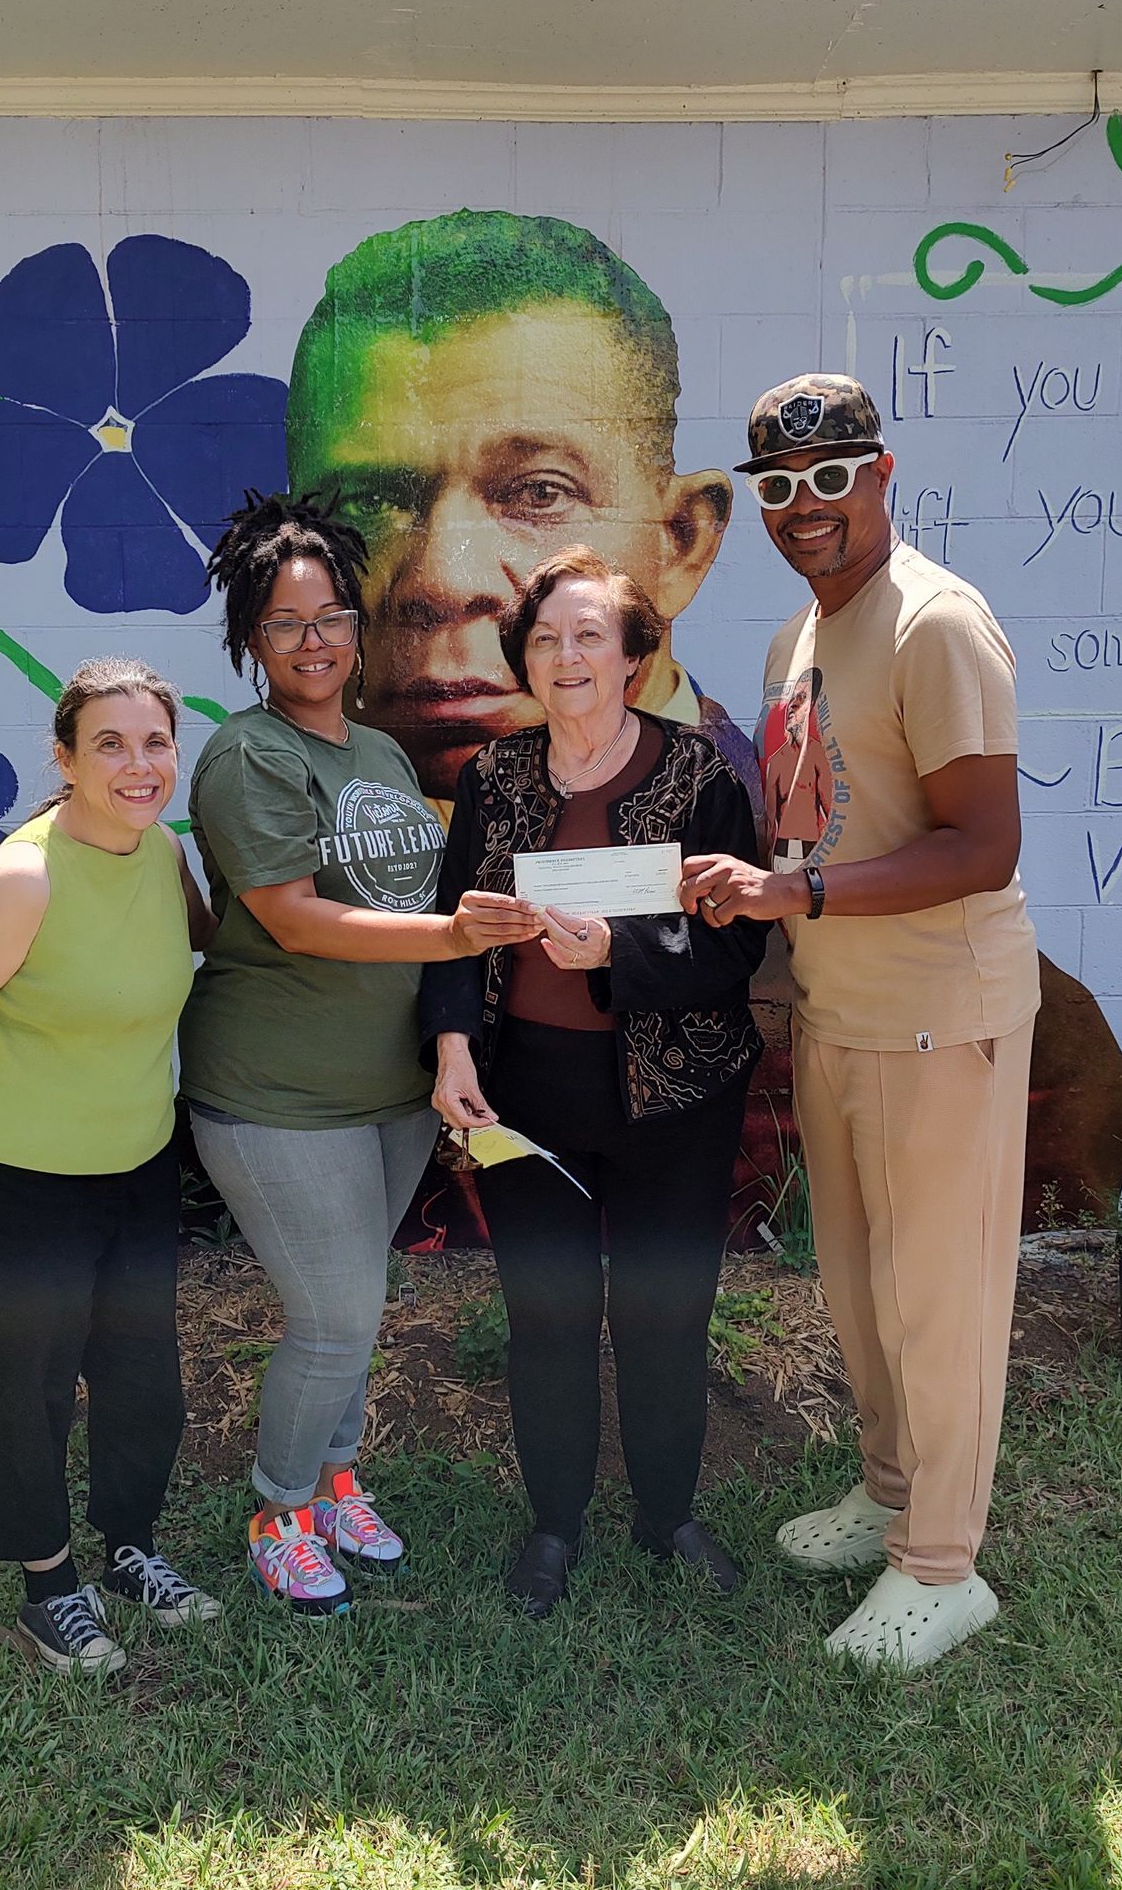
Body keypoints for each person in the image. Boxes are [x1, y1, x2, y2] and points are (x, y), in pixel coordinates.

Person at [680, 375, 1041, 1671]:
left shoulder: (939, 625)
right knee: (859, 1288)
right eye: (779, 487)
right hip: (843, 1013)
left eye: (832, 479)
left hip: (941, 1019)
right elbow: (809, 823)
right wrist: (747, 902)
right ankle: (890, 1491)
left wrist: (798, 891)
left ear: (883, 476)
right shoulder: (797, 641)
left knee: (934, 1300)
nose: (805, 508)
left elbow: (985, 845)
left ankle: (942, 1568)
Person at [178, 491, 539, 1617]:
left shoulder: (379, 751)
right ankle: (277, 1510)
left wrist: (449, 1040)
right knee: (334, 1313)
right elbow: (292, 915)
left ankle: (335, 1482)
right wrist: (454, 931)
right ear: (249, 640)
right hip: (276, 1097)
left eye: (331, 614)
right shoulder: (249, 758)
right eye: (285, 623)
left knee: (359, 1307)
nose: (315, 640)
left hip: (387, 1092)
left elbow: (403, 901)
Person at [425, 545, 767, 1619]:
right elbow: (455, 936)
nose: (565, 655)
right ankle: (555, 1524)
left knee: (667, 1312)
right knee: (550, 1315)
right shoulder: (492, 777)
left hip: (677, 1096)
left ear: (632, 658)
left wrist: (616, 956)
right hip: (530, 1092)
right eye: (545, 638)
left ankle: (668, 1512)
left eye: (588, 636)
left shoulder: (701, 776)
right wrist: (451, 1048)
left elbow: (736, 950)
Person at [0, 658, 220, 1676]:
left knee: (141, 1382)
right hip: (19, 1179)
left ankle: (128, 1553)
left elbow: (200, 949)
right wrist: (6, 1104)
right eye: (111, 745)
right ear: (67, 758)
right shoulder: (24, 875)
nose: (138, 764)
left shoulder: (164, 855)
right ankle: (49, 1589)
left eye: (155, 742)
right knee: (32, 1389)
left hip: (134, 1167)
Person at [283, 208, 760, 810]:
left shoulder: (731, 813)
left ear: (682, 540)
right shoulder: (304, 811)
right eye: (369, 502)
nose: (443, 582)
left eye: (540, 493)